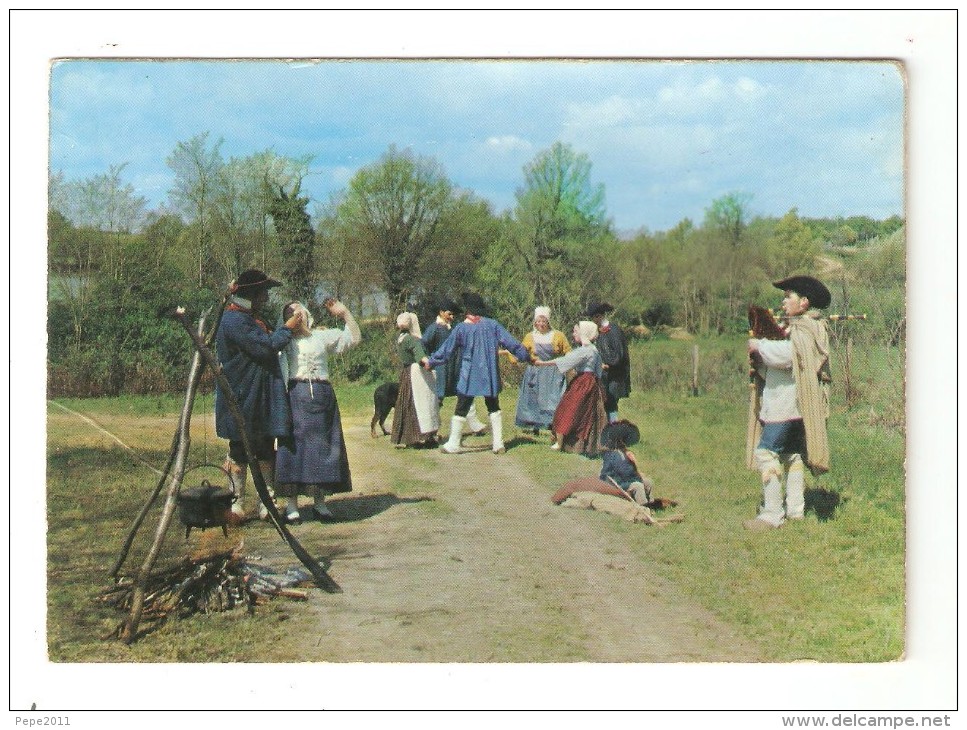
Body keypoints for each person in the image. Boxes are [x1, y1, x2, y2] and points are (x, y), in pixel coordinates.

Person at [745, 275, 832, 530]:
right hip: (789, 404)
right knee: (791, 455)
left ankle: (772, 514)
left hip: (787, 406)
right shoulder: (795, 327)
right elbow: (783, 359)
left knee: (766, 453)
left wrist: (759, 346)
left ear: (804, 302)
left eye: (788, 296)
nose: (783, 302)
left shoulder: (808, 328)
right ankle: (795, 511)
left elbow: (789, 356)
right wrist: (760, 356)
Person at [215, 268, 303, 521]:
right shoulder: (234, 320)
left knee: (265, 447)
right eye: (263, 292)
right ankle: (236, 504)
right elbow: (266, 347)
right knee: (240, 449)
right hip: (242, 395)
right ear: (252, 293)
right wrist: (286, 329)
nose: (266, 297)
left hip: (258, 395)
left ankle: (268, 503)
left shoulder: (249, 317)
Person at [274, 298, 361, 523]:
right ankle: (292, 506)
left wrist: (345, 314)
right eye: (294, 313)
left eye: (301, 311)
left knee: (322, 447)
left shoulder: (321, 336)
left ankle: (320, 503)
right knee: (295, 447)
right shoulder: (285, 341)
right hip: (296, 395)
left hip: (322, 396)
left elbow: (353, 338)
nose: (299, 315)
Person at [425, 292, 531, 455]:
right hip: (489, 373)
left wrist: (431, 361)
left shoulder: (461, 328)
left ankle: (453, 444)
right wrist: (526, 356)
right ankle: (498, 443)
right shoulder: (492, 325)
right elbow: (511, 343)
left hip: (469, 374)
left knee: (462, 407)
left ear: (467, 310)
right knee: (493, 406)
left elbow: (446, 350)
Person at [534, 320, 607, 458]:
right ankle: (580, 445)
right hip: (592, 383)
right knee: (585, 415)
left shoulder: (585, 351)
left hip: (583, 383)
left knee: (567, 410)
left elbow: (564, 362)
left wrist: (543, 363)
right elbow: (598, 371)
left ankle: (560, 443)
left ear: (583, 333)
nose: (574, 334)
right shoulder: (594, 350)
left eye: (576, 331)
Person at [421, 297, 488, 438]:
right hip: (441, 369)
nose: (451, 317)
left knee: (465, 393)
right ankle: (432, 430)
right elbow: (424, 344)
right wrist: (428, 360)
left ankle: (475, 425)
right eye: (449, 314)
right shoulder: (434, 328)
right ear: (441, 313)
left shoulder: (452, 329)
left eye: (453, 315)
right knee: (437, 399)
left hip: (456, 367)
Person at [514, 306, 571, 437]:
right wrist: (511, 355)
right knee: (533, 399)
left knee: (553, 399)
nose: (541, 324)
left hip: (552, 373)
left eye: (543, 321)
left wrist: (564, 363)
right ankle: (534, 424)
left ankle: (553, 425)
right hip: (535, 371)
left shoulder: (558, 335)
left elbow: (568, 351)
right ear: (535, 322)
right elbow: (521, 352)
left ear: (548, 322)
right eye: (538, 321)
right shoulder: (530, 336)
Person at [391, 312, 441, 448]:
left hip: (405, 373)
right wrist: (430, 364)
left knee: (406, 403)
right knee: (419, 404)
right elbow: (420, 356)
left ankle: (407, 437)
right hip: (416, 374)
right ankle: (420, 437)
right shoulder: (412, 340)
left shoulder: (401, 338)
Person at [586, 302, 631, 423]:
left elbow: (619, 355)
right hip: (605, 375)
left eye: (593, 318)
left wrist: (607, 364)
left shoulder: (614, 331)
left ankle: (613, 429)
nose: (592, 321)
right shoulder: (599, 332)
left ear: (599, 316)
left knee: (611, 402)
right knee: (605, 403)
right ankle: (607, 430)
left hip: (615, 375)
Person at [598, 420, 654, 506]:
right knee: (637, 485)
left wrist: (635, 467)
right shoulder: (613, 454)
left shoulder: (624, 453)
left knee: (648, 482)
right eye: (622, 441)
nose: (624, 443)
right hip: (617, 484)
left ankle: (651, 504)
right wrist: (634, 465)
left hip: (626, 480)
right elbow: (625, 472)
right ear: (618, 441)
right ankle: (643, 507)